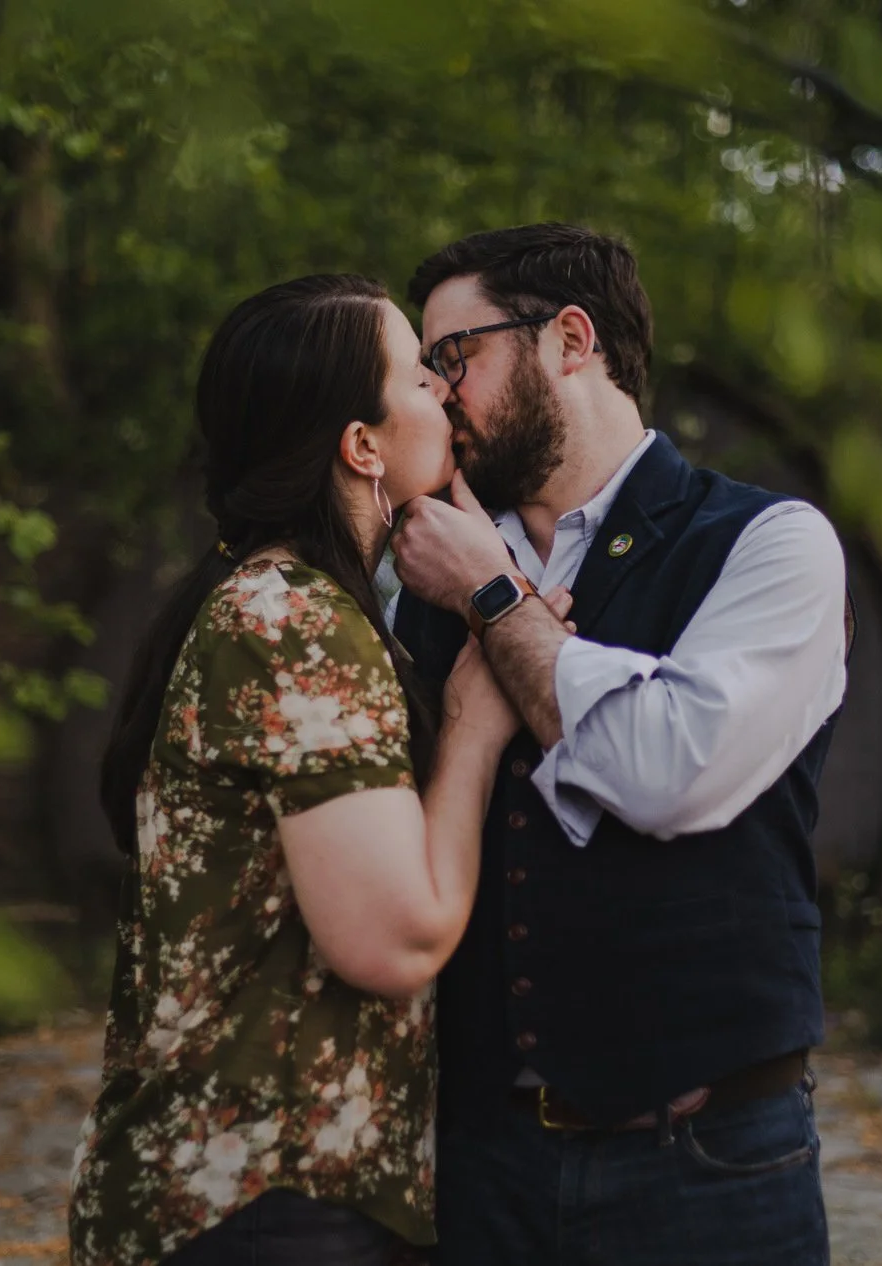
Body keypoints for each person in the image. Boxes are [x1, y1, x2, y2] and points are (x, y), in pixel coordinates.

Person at [68, 273, 572, 1266]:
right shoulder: (291, 622)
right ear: (360, 446)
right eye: (418, 376)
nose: (443, 389)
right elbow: (397, 939)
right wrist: (473, 727)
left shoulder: (270, 602)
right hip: (267, 1195)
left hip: (260, 1191)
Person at [388, 224, 852, 1266]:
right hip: (481, 1168)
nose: (435, 394)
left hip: (709, 1165)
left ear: (570, 340)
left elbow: (667, 771)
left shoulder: (770, 546)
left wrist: (494, 601)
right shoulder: (415, 573)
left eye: (452, 357)